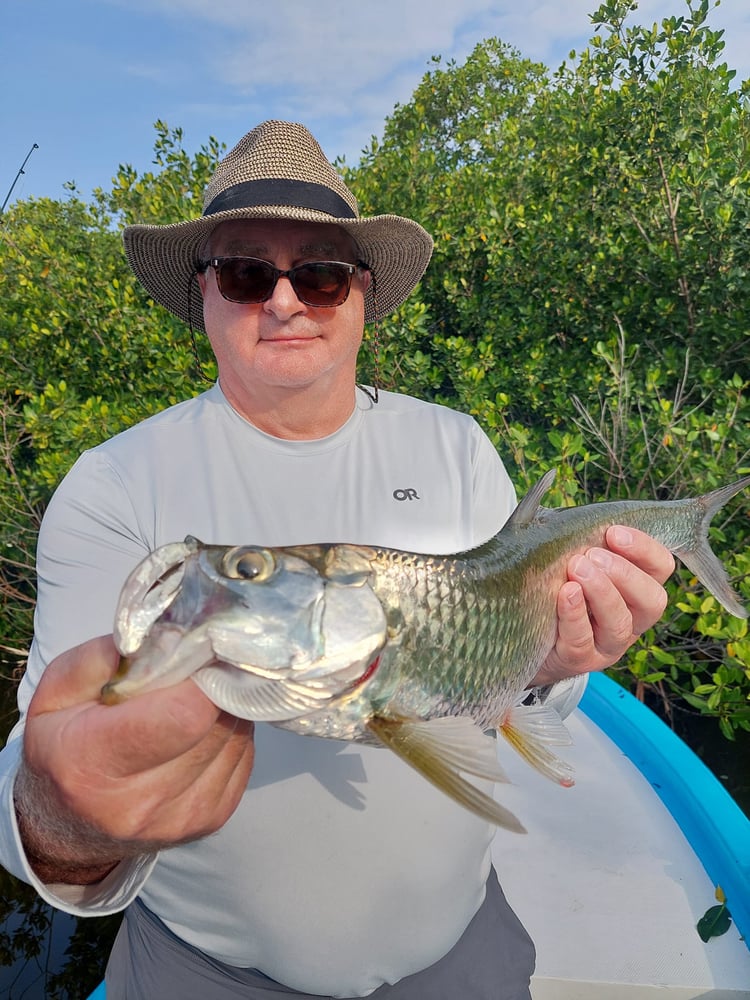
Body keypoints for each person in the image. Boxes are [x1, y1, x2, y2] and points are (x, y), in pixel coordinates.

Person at [0, 121, 674, 999]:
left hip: (463, 953)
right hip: (200, 970)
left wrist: (554, 660)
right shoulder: (114, 485)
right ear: (202, 293)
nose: (284, 302)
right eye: (246, 273)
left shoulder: (456, 446)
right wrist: (70, 816)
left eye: (318, 274)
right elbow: (34, 798)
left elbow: (533, 679)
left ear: (360, 296)